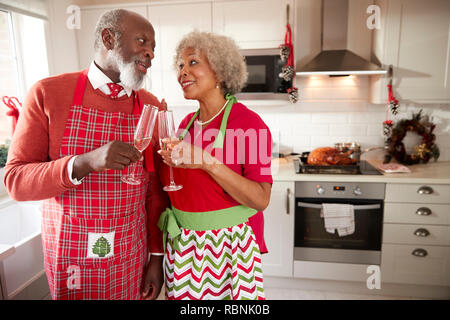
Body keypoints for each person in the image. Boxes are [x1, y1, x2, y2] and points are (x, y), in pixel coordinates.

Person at [3, 9, 168, 300]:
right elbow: (16, 180)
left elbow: (154, 191)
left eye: (153, 48)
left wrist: (156, 257)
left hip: (130, 252)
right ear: (108, 38)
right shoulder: (48, 93)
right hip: (71, 253)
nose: (150, 54)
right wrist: (84, 162)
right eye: (142, 41)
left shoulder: (151, 105)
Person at [158, 31, 273, 300]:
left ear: (220, 72)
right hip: (184, 246)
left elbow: (260, 199)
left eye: (193, 62)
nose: (182, 72)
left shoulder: (248, 124)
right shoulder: (185, 124)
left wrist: (208, 162)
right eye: (180, 66)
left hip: (226, 249)